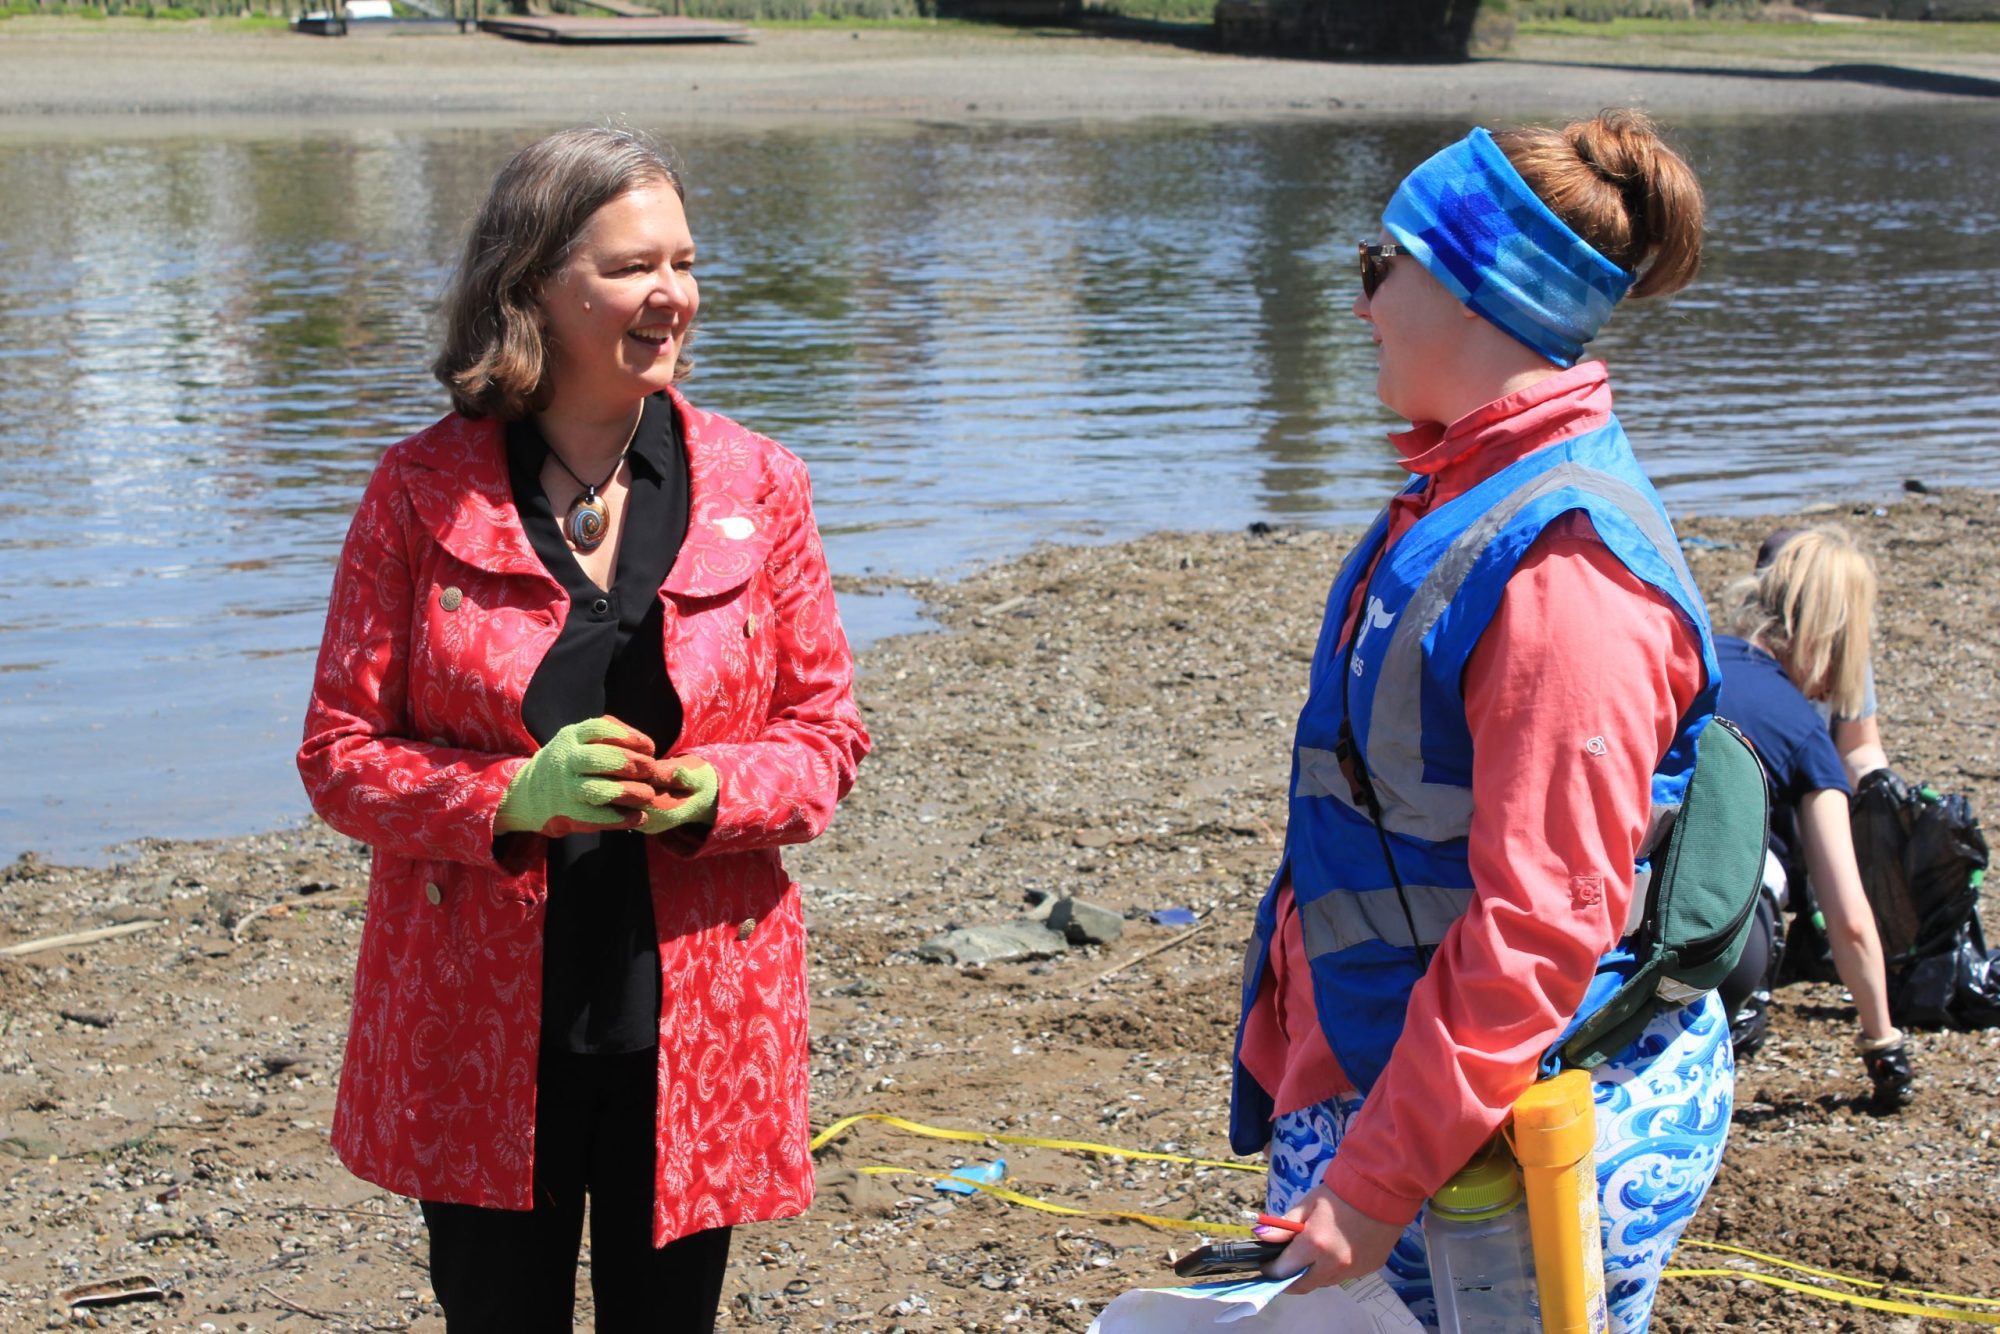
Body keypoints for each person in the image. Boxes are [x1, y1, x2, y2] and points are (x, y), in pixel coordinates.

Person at [297, 127, 870, 1332]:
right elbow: (338, 754)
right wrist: (509, 796)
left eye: (684, 261)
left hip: (698, 1017)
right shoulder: (416, 490)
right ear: (532, 289)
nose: (672, 297)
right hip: (478, 1021)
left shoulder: (761, 483)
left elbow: (825, 734)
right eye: (629, 267)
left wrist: (720, 787)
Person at [1229, 111, 1733, 1331]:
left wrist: (1374, 1178)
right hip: (1421, 1096)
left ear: (1467, 289)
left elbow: (1540, 922)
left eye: (1376, 267)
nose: (1360, 306)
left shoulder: (1564, 572)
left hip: (1509, 1131)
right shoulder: (1464, 490)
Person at [1712, 526, 1915, 1110]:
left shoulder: (1690, 659)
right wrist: (1883, 1041)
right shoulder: (1805, 733)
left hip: (1608, 920)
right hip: (1723, 949)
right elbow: (1848, 918)